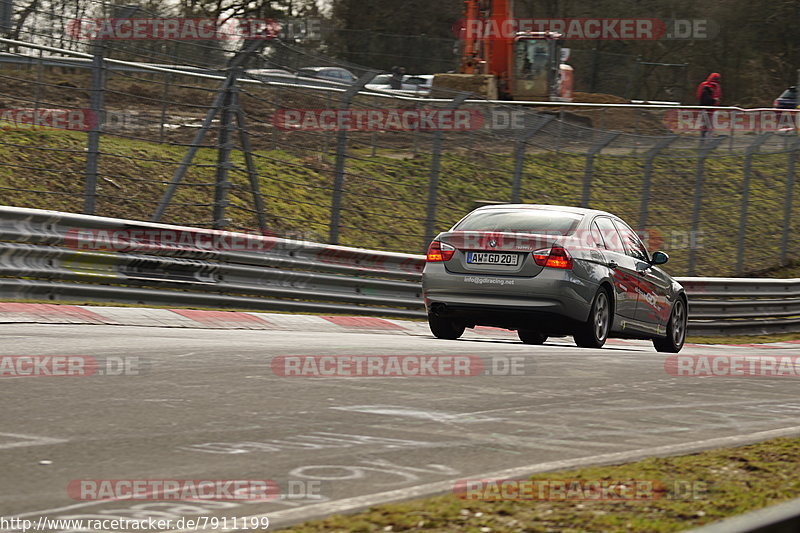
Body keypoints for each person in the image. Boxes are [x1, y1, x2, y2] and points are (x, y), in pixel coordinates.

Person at [696, 73, 722, 138]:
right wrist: (713, 100)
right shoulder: (706, 85)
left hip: (710, 109)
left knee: (708, 125)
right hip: (708, 108)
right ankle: (705, 139)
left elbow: (698, 96)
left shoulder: (715, 86)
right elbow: (699, 95)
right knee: (707, 124)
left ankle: (705, 139)